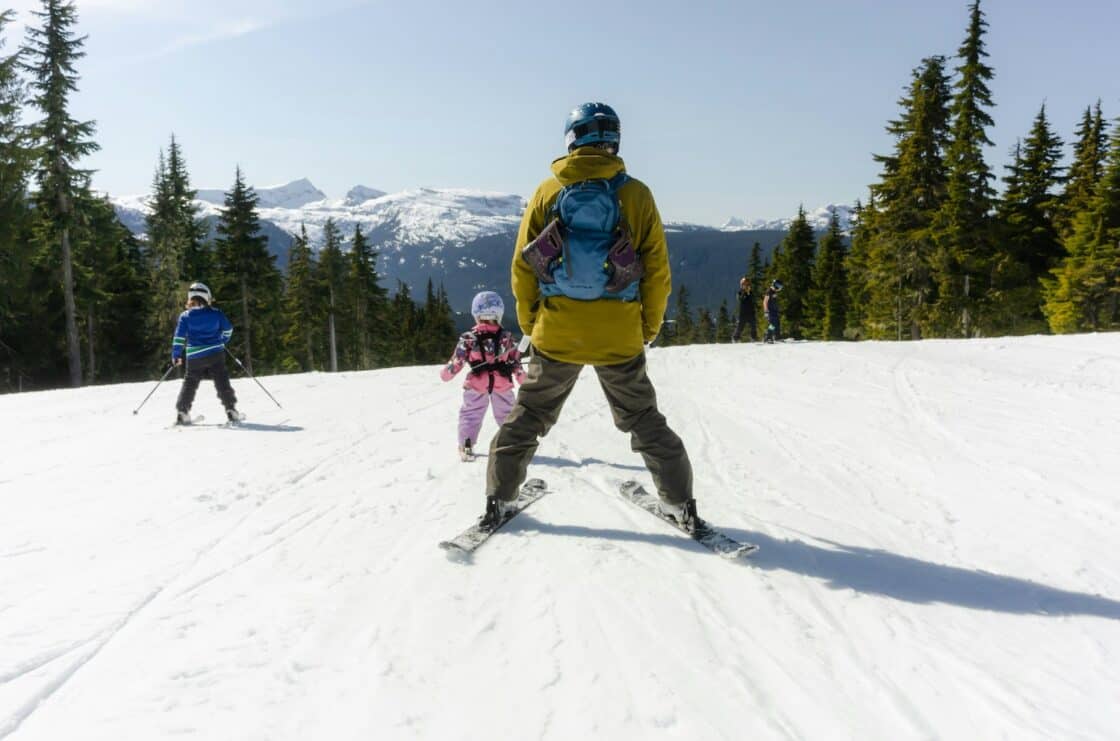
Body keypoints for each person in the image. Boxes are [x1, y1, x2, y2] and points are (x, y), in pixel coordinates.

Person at [483, 101, 698, 529]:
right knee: (643, 420)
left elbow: (523, 268)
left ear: (571, 140)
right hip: (619, 335)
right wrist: (647, 328)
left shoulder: (548, 192)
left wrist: (532, 324)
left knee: (528, 418)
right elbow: (657, 272)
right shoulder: (636, 195)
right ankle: (679, 503)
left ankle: (498, 499)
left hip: (557, 332)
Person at [440, 291, 525, 461]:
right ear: (499, 314)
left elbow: (458, 361)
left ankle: (466, 444)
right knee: (507, 413)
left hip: (477, 383)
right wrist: (523, 378)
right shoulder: (507, 338)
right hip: (502, 383)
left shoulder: (468, 338)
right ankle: (512, 444)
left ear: (476, 314)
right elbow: (515, 362)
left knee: (471, 413)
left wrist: (446, 373)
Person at [171, 282, 241, 425]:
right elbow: (228, 329)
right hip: (215, 353)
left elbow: (179, 338)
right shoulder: (216, 313)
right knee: (221, 381)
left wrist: (176, 355)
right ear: (207, 297)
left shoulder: (185, 316)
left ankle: (182, 412)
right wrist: (223, 340)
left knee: (190, 383)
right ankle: (231, 410)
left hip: (194, 357)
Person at [731, 276, 757, 342]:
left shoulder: (751, 292)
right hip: (743, 313)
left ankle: (753, 338)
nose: (746, 286)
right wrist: (744, 293)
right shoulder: (739, 292)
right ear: (742, 285)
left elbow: (753, 299)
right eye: (744, 284)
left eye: (747, 284)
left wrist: (749, 293)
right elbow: (740, 299)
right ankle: (735, 338)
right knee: (740, 326)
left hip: (751, 312)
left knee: (753, 325)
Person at [763, 279, 783, 343]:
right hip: (770, 311)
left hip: (775, 311)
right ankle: (768, 337)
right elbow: (765, 301)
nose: (779, 288)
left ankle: (777, 337)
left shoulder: (774, 292)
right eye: (779, 286)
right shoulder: (769, 291)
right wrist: (766, 311)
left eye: (780, 286)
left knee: (777, 324)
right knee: (772, 324)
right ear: (775, 285)